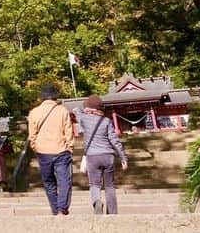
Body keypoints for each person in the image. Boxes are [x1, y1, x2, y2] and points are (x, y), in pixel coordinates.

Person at [27, 83, 75, 216]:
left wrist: (35, 147)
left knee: (49, 182)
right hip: (61, 150)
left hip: (43, 152)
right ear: (54, 97)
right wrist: (70, 147)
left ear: (42, 98)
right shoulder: (63, 110)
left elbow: (32, 135)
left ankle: (55, 209)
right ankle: (62, 209)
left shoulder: (34, 112)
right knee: (64, 181)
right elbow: (68, 132)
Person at [77, 94, 128, 214]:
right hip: (108, 156)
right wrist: (123, 157)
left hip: (92, 156)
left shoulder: (84, 119)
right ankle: (112, 212)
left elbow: (76, 111)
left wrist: (83, 110)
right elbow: (115, 141)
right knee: (110, 186)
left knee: (94, 184)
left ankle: (97, 202)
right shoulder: (107, 121)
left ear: (88, 108)